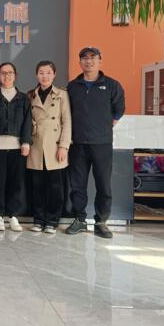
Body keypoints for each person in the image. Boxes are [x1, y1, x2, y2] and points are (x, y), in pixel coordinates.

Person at [65, 47, 125, 238]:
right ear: (80, 62)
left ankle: (101, 222)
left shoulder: (112, 85)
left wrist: (104, 126)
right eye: (84, 58)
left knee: (103, 184)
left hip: (102, 143)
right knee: (77, 185)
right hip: (77, 143)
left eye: (93, 57)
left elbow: (118, 110)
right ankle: (79, 219)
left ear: (100, 60)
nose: (88, 61)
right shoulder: (73, 86)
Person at [0, 62, 31, 232]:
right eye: (3, 73)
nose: (7, 76)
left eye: (10, 73)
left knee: (15, 183)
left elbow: (27, 122)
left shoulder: (23, 99)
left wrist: (26, 142)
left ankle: (13, 215)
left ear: (15, 75)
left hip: (18, 148)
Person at [26, 61, 72, 234]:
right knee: (37, 187)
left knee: (55, 187)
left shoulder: (62, 95)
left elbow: (67, 121)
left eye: (48, 72)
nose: (44, 76)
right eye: (41, 73)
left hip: (55, 145)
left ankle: (52, 221)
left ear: (54, 74)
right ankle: (38, 220)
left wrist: (64, 146)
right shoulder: (31, 95)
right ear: (36, 75)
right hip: (36, 145)